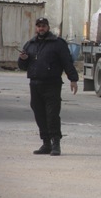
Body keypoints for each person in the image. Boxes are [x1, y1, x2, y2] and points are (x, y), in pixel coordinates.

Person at [18, 17, 79, 156]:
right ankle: (46, 143)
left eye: (44, 26)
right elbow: (22, 66)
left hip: (52, 84)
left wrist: (73, 79)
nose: (41, 28)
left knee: (52, 115)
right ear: (36, 28)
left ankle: (56, 144)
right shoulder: (30, 44)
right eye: (39, 26)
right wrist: (22, 59)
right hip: (35, 84)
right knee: (39, 114)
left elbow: (67, 62)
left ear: (48, 27)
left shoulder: (57, 43)